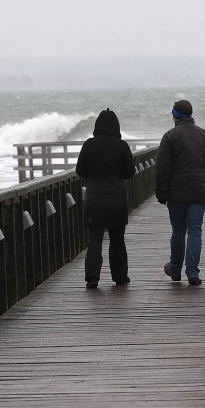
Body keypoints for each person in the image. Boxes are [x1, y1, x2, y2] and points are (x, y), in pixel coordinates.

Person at [156, 99, 205, 286]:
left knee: (178, 231)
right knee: (195, 231)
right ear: (191, 115)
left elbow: (162, 168)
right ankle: (192, 272)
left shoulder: (169, 136)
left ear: (175, 115)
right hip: (199, 193)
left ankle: (175, 269)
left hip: (176, 193)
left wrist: (162, 193)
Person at [75, 108, 136, 289]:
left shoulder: (89, 145)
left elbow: (80, 171)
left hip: (95, 198)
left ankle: (92, 277)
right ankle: (120, 277)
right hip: (117, 197)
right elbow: (130, 172)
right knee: (117, 238)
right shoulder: (122, 145)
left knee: (95, 239)